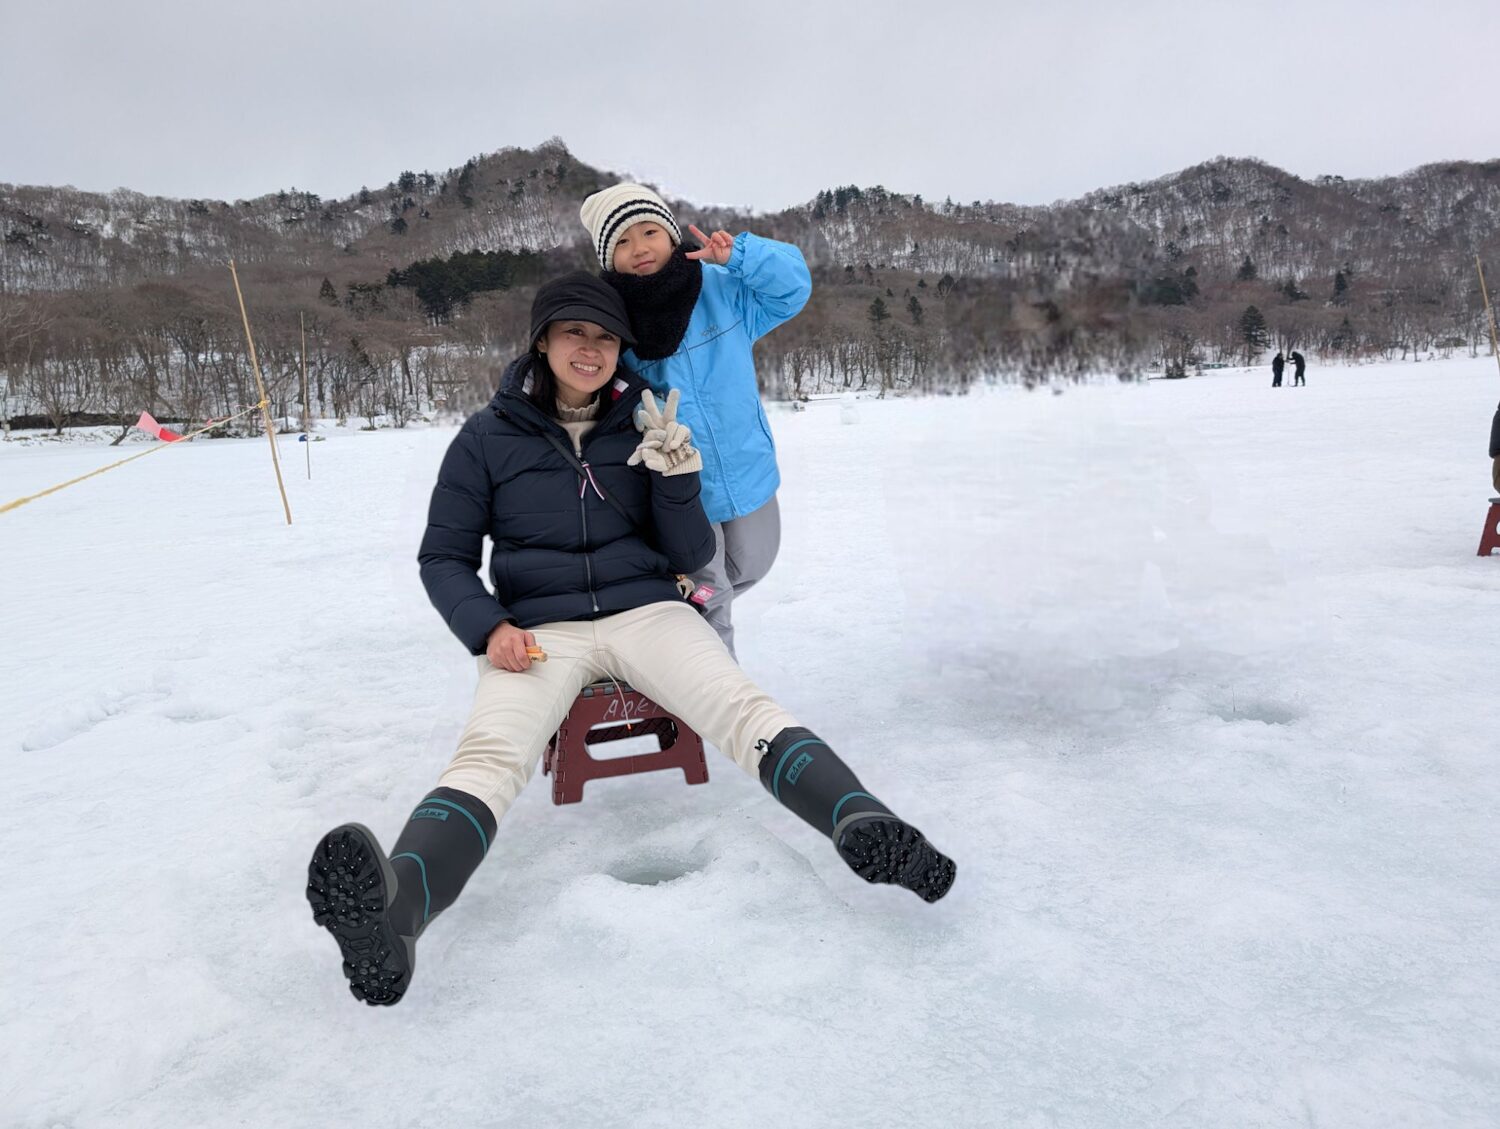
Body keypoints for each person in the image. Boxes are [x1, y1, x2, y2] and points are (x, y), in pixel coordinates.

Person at [305, 273, 955, 1007]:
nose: (591, 349)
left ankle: (860, 818)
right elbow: (442, 557)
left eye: (606, 337)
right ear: (542, 340)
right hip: (541, 630)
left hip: (647, 607)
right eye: (575, 333)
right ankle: (397, 914)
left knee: (739, 705)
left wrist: (679, 476)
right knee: (491, 752)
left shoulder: (645, 421)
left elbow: (684, 553)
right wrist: (487, 627)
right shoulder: (486, 437)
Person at [579, 183, 811, 659]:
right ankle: (719, 701)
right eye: (621, 241)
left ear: (669, 234)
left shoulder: (719, 287)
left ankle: (668, 624)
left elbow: (792, 289)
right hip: (678, 486)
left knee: (752, 565)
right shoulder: (610, 319)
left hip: (747, 466)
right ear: (608, 257)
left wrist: (740, 257)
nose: (639, 248)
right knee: (710, 594)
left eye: (648, 232)